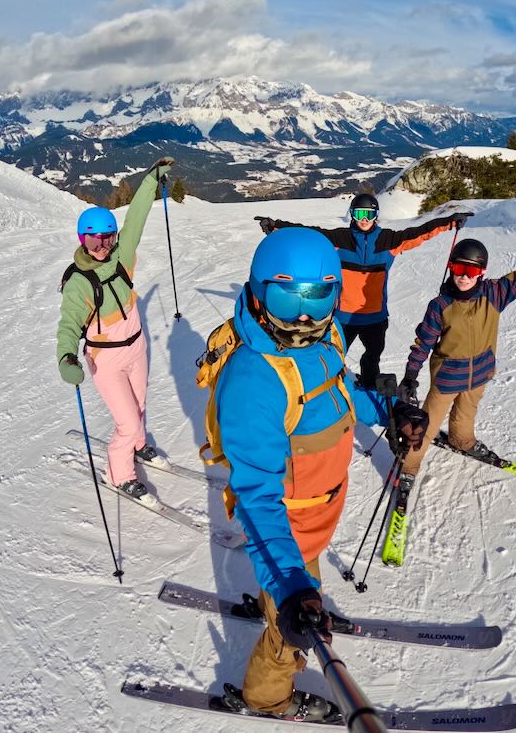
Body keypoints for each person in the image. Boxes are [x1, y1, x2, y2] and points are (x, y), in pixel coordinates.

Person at [213, 227, 427, 722]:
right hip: (290, 530)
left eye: (320, 294)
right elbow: (256, 499)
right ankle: (267, 697)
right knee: (287, 638)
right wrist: (290, 588)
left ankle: (281, 592)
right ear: (259, 291)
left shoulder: (326, 340)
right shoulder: (255, 380)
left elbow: (341, 391)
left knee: (301, 580)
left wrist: (388, 410)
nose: (305, 316)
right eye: (288, 299)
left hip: (318, 517)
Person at [397, 233, 516, 486]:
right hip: (447, 378)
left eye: (471, 270)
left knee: (466, 415)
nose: (464, 276)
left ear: (481, 272)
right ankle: (409, 464)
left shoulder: (494, 294)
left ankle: (461, 441)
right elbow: (424, 341)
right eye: (459, 268)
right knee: (426, 424)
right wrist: (411, 375)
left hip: (480, 374)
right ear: (451, 268)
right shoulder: (440, 305)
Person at [255, 193, 471, 389]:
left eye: (369, 214)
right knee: (333, 356)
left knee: (372, 358)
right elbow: (308, 234)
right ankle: (327, 386)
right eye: (359, 214)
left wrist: (450, 222)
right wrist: (277, 227)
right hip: (343, 317)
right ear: (352, 215)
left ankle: (368, 385)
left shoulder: (389, 241)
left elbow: (421, 232)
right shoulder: (340, 239)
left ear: (376, 215)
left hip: (375, 318)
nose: (364, 219)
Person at [55, 158, 174, 499]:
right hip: (105, 360)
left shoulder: (122, 257)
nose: (103, 246)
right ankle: (119, 473)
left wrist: (151, 179)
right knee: (126, 421)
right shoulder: (79, 282)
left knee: (139, 406)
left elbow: (136, 217)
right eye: (94, 241)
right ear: (83, 240)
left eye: (108, 238)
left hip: (137, 347)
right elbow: (68, 324)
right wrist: (66, 356)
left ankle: (138, 446)